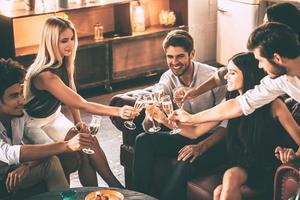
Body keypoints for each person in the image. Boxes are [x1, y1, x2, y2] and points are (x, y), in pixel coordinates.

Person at [23, 16, 138, 188]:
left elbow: (72, 96)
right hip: (33, 124)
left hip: (53, 117)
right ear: (51, 42)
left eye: (71, 39)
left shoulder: (63, 63)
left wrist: (78, 123)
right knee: (71, 156)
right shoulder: (45, 76)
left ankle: (108, 190)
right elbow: (82, 103)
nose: (69, 44)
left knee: (86, 142)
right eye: (63, 41)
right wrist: (118, 111)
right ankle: (118, 189)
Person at [173, 52, 300, 199]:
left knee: (227, 181)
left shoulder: (274, 104)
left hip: (268, 167)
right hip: (243, 164)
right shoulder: (231, 99)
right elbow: (195, 131)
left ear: (248, 74)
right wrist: (165, 119)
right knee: (220, 190)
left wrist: (294, 155)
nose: (226, 77)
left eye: (232, 73)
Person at [132, 29, 227, 199]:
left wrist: (202, 146)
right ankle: (140, 197)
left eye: (180, 56)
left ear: (192, 54)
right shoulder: (167, 78)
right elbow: (152, 120)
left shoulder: (212, 78)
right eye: (170, 57)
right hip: (185, 132)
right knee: (143, 140)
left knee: (186, 160)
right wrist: (150, 114)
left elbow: (226, 125)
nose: (174, 62)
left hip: (213, 139)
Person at [170, 22, 300, 126]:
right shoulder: (278, 80)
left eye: (260, 60)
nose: (260, 66)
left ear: (277, 58)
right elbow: (238, 104)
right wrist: (191, 118)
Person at [0, 58, 94, 199]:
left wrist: (27, 165)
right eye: (14, 96)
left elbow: (45, 144)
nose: (22, 100)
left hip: (12, 176)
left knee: (52, 162)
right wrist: (67, 145)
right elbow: (9, 153)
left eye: (21, 93)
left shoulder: (20, 116)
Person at [176, 2, 300, 103]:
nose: (262, 27)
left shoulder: (285, 63)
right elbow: (225, 75)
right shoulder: (263, 53)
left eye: (267, 23)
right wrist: (196, 91)